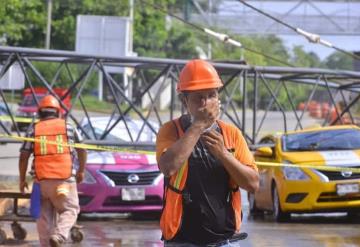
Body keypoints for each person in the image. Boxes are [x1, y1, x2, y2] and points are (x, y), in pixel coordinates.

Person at [156, 59, 259, 246]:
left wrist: (224, 154)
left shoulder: (231, 134)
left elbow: (252, 184)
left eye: (211, 95)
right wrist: (198, 126)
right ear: (185, 100)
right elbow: (168, 167)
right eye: (198, 98)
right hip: (182, 240)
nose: (206, 103)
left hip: (224, 240)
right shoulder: (171, 131)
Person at [18, 95, 87, 247]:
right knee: (70, 210)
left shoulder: (33, 129)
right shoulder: (68, 126)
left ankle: (46, 244)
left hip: (41, 182)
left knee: (44, 219)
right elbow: (82, 150)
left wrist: (22, 180)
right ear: (58, 112)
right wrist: (81, 171)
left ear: (40, 113)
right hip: (64, 181)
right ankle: (60, 235)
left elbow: (23, 156)